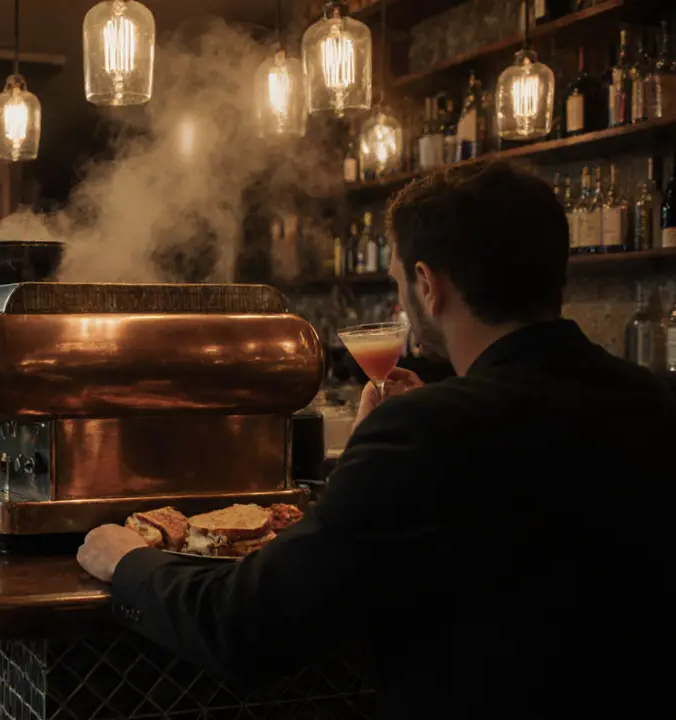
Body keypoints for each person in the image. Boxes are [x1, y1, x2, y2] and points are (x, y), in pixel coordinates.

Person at [76, 161, 675, 718]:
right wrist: (376, 456)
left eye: (398, 284)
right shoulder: (656, 402)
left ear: (427, 285)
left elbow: (247, 627)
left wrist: (127, 562)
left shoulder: (423, 432)